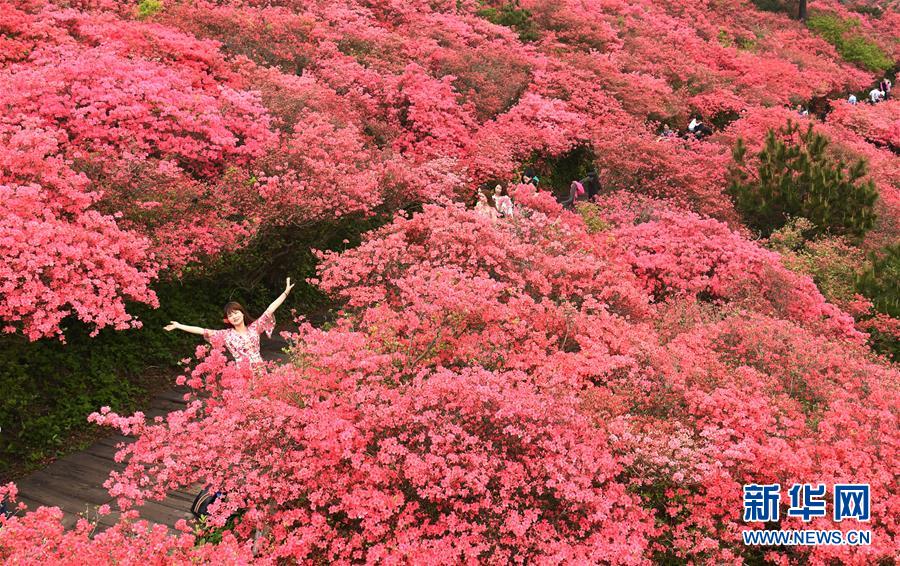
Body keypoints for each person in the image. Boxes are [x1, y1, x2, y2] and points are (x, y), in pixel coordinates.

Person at [164, 278, 294, 365]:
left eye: (236, 312)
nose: (234, 317)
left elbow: (269, 310)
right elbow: (202, 330)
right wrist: (179, 326)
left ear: (242, 313)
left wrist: (285, 293)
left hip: (259, 368)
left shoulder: (255, 327)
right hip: (240, 373)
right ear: (228, 320)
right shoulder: (226, 334)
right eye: (230, 315)